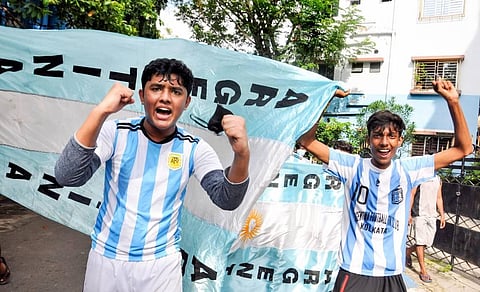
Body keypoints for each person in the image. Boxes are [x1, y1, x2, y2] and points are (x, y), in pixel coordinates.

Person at [54, 58, 250, 291]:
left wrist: (242, 154)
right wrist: (100, 111)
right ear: (142, 95)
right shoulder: (115, 132)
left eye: (175, 91)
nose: (165, 97)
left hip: (161, 266)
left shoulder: (194, 148)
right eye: (156, 88)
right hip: (107, 259)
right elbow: (68, 176)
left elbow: (227, 199)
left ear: (186, 102)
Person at [297, 79, 471, 292]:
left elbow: (463, 149)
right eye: (378, 135)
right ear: (368, 138)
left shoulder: (408, 170)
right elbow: (306, 141)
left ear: (400, 141)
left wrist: (453, 101)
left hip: (392, 275)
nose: (384, 142)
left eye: (391, 136)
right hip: (354, 272)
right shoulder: (352, 166)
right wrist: (326, 97)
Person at [406, 174, 445, 283]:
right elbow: (412, 194)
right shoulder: (419, 177)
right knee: (420, 242)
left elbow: (439, 197)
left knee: (428, 242)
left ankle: (407, 251)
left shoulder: (438, 179)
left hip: (432, 215)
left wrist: (442, 214)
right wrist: (409, 212)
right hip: (419, 214)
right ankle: (423, 271)